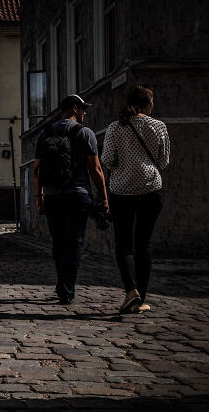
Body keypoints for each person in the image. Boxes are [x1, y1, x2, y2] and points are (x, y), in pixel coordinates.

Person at [33, 94, 109, 305]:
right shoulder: (85, 133)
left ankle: (62, 283)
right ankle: (66, 288)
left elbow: (37, 169)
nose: (85, 112)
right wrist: (104, 198)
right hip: (78, 194)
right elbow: (95, 169)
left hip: (52, 196)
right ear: (74, 109)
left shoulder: (45, 133)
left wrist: (38, 196)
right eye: (83, 108)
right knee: (74, 242)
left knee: (58, 242)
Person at [101, 85, 170, 314]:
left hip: (122, 191)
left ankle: (131, 291)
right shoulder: (159, 126)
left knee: (123, 244)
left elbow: (108, 160)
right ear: (146, 103)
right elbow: (163, 162)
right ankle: (142, 301)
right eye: (152, 101)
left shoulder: (115, 127)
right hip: (151, 189)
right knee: (144, 244)